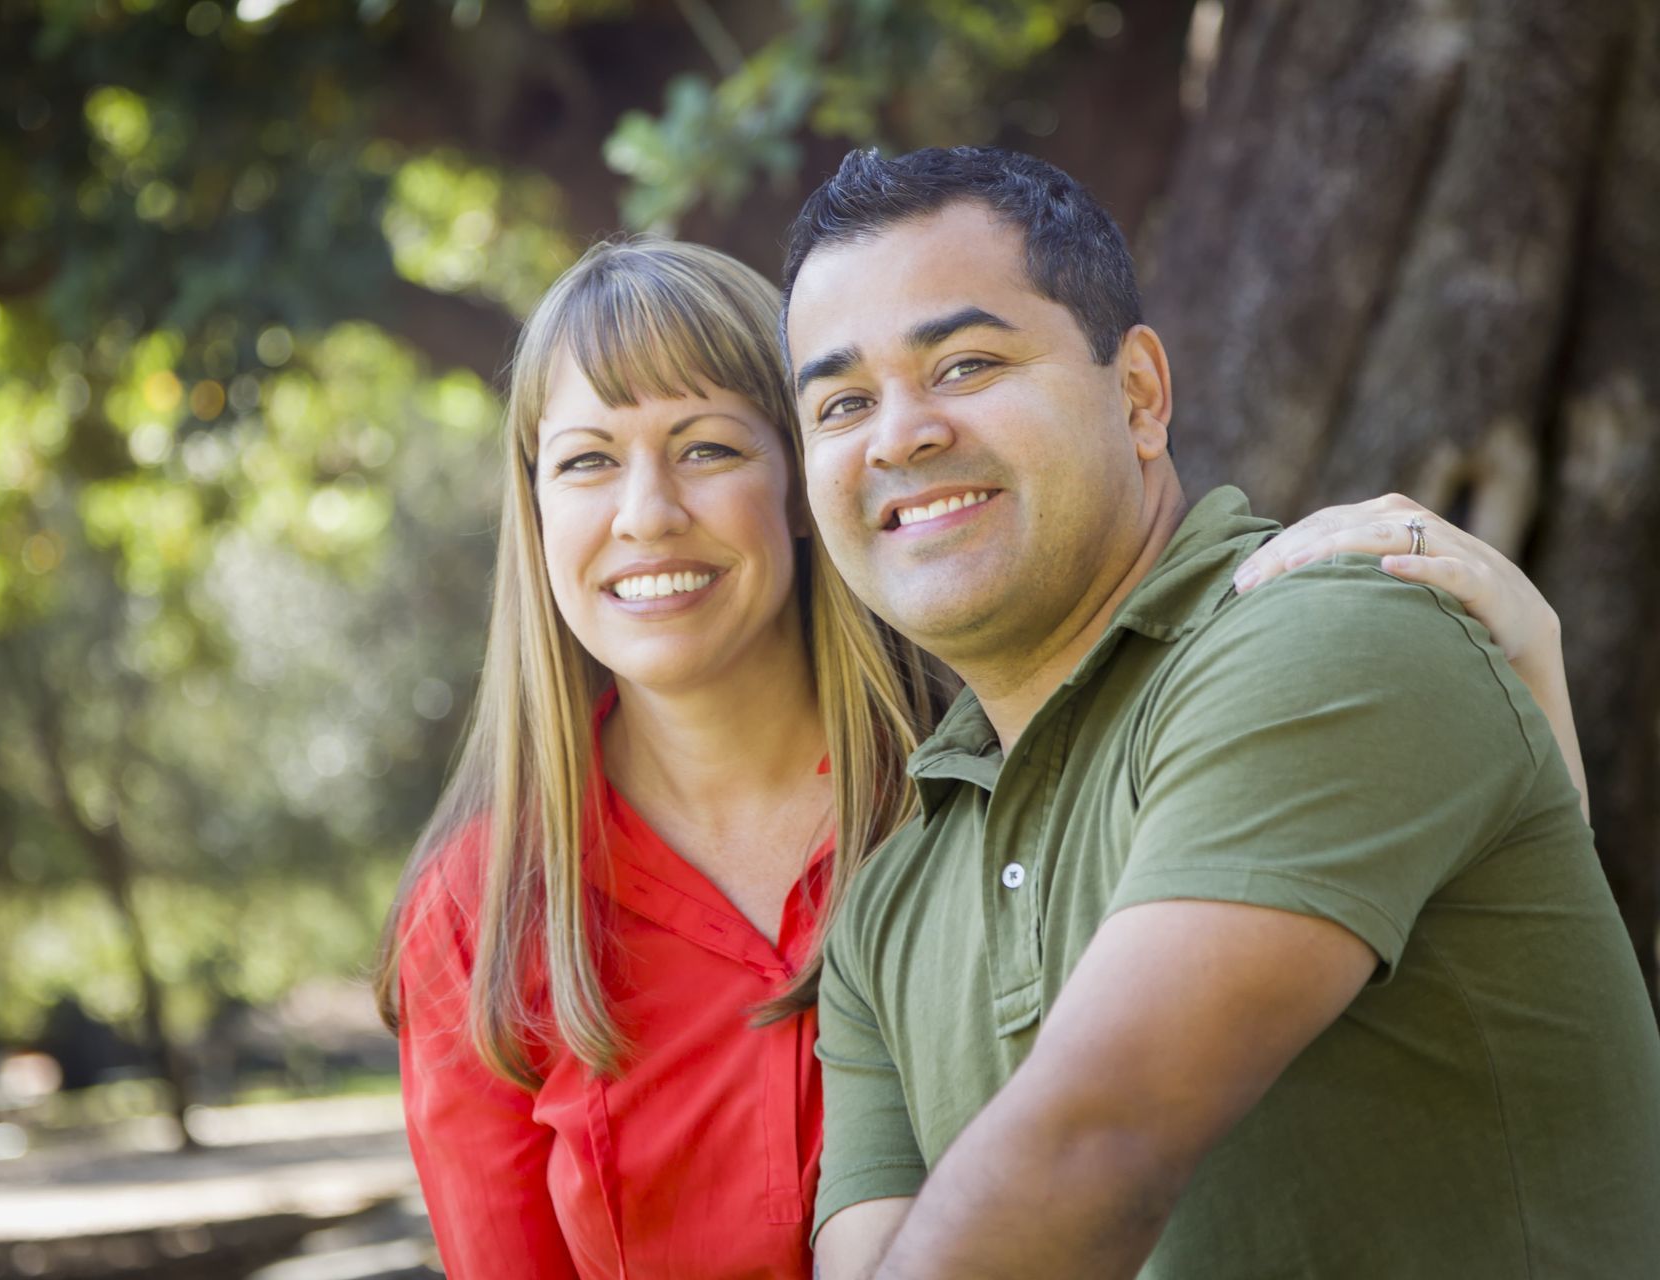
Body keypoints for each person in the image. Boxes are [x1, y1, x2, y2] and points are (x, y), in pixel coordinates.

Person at [373, 236, 1591, 1280]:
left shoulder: (987, 778)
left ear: (803, 481)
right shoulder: (479, 912)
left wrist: (1522, 693)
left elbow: (1459, 1029)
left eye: (707, 447)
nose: (646, 512)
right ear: (531, 511)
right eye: (585, 460)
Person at [784, 147, 1660, 1280]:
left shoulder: (1329, 638)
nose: (899, 434)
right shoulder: (885, 912)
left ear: (1140, 394)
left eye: (963, 362)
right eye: (842, 401)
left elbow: (1100, 1139)